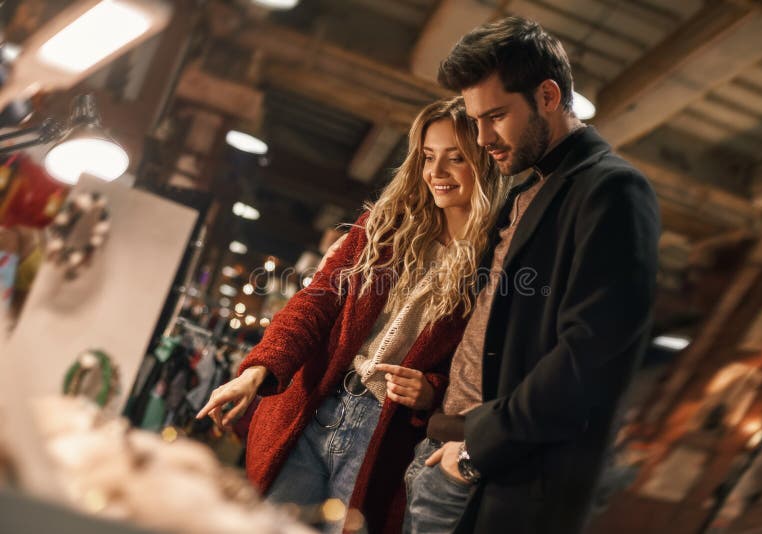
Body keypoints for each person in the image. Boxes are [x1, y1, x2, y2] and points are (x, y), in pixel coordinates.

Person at [197, 97, 509, 533]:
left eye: (456, 158)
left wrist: (431, 391)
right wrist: (255, 372)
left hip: (382, 439)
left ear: (485, 163)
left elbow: (478, 367)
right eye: (427, 156)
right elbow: (317, 301)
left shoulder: (494, 264)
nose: (436, 173)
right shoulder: (382, 228)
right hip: (313, 407)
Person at [403, 17, 661, 534]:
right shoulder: (525, 193)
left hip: (496, 479)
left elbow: (589, 357)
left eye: (496, 116)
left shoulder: (612, 191)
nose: (483, 137)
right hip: (441, 457)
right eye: (476, 119)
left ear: (547, 95)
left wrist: (477, 453)